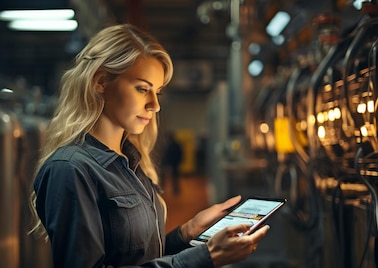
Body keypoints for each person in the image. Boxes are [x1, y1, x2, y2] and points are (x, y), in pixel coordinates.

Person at [31, 24, 270, 268]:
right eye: (142, 89)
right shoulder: (71, 169)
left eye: (158, 92)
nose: (154, 105)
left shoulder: (130, 164)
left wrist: (186, 233)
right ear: (101, 81)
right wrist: (205, 258)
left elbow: (138, 257)